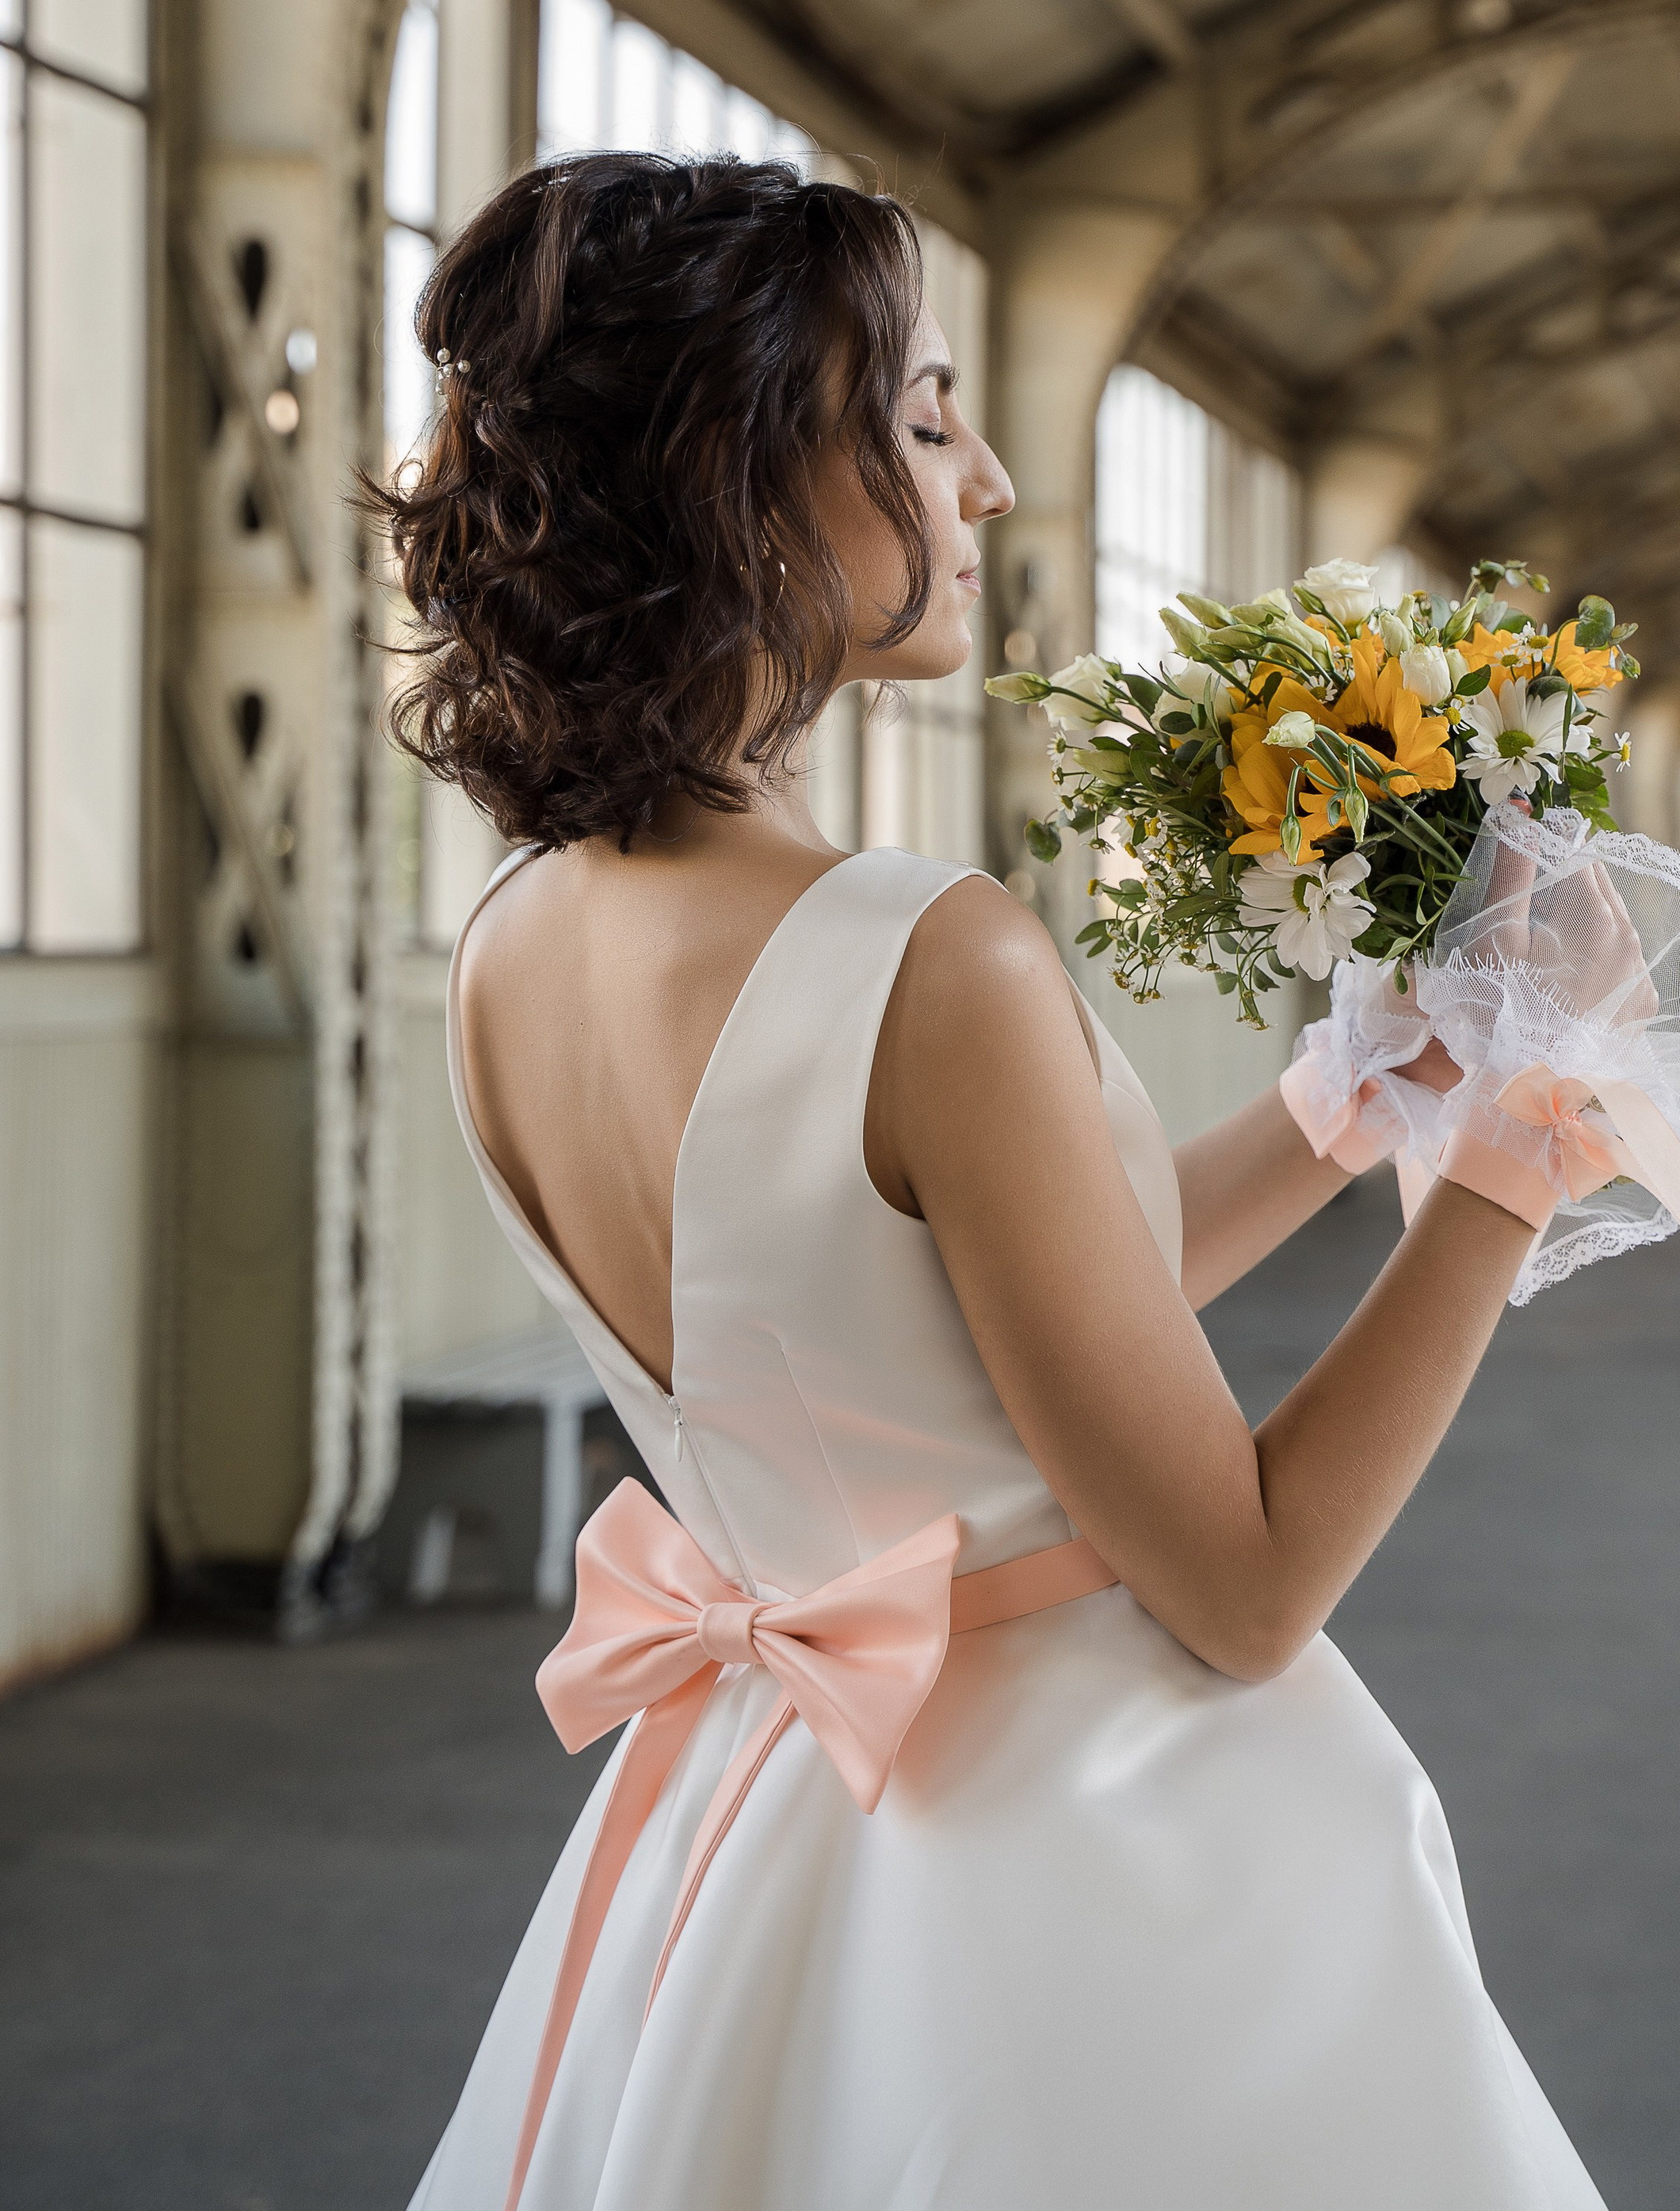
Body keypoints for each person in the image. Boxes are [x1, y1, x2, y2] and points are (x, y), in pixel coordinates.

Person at [380, 150, 1610, 2211]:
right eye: (930, 417)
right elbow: (1240, 1584)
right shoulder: (927, 958)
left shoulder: (514, 939)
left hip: (772, 1828)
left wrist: (1346, 1105)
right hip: (1087, 1859)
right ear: (751, 467)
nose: (990, 488)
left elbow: (963, 1338)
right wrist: (1519, 1144)